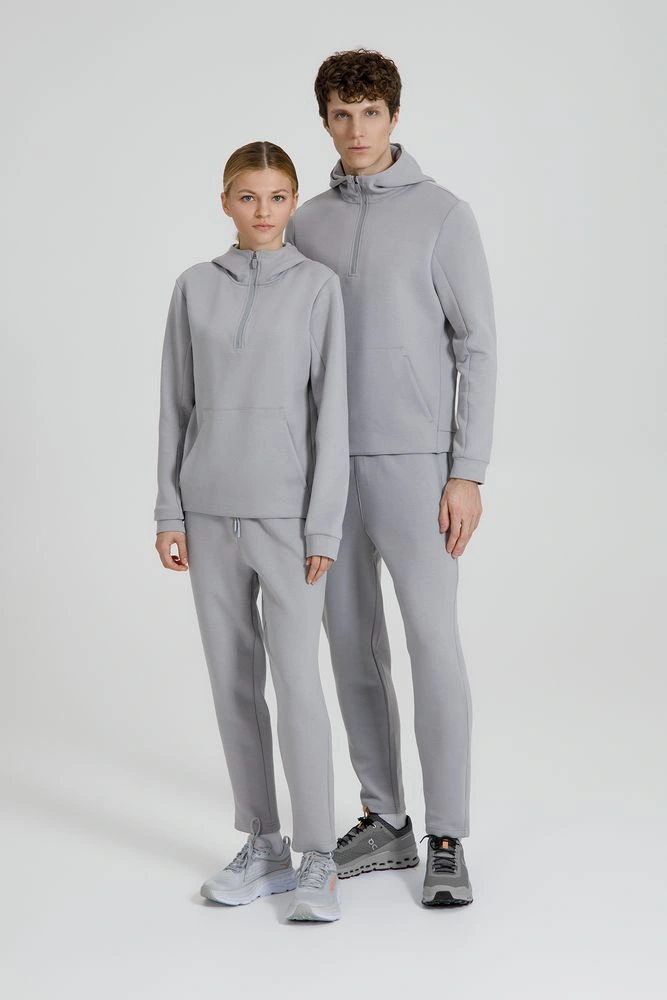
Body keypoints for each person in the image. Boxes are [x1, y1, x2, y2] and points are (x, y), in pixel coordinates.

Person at [285, 49, 497, 907]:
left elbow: (476, 345)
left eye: (369, 112)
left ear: (394, 116)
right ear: (324, 121)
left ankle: (446, 834)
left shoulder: (443, 215)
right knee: (349, 646)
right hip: (325, 473)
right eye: (340, 114)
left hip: (416, 467)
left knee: (432, 642)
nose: (355, 129)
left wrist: (466, 470)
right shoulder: (304, 223)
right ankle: (385, 819)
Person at [153, 141, 349, 922]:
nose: (262, 211)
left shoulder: (318, 288)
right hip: (208, 516)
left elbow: (331, 417)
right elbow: (174, 406)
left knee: (297, 682)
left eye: (276, 197)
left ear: (293, 202)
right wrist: (169, 511)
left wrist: (323, 527)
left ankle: (318, 857)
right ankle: (262, 843)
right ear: (225, 202)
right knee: (233, 683)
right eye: (247, 196)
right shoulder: (193, 287)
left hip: (289, 519)